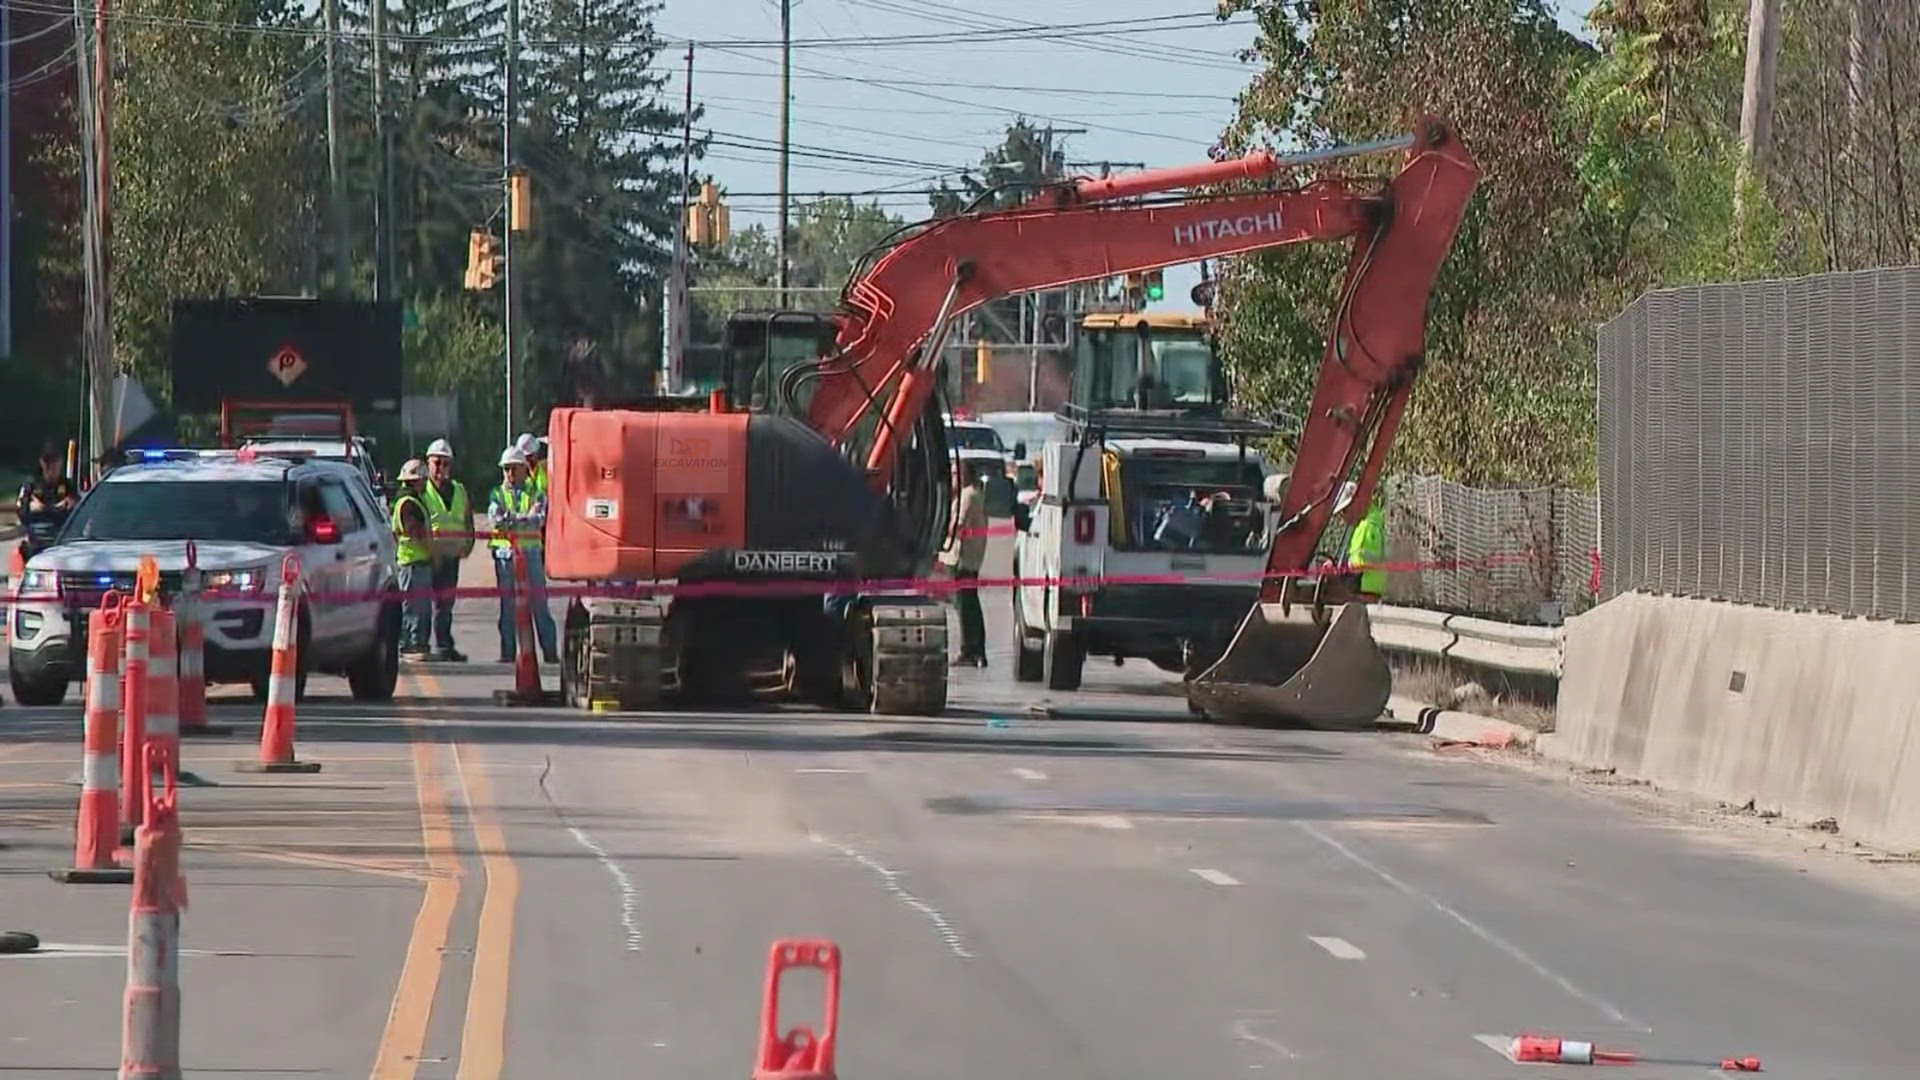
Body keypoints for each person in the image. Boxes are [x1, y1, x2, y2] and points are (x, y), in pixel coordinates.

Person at [487, 445, 559, 664]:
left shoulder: (536, 492)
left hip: (531, 554)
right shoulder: (497, 494)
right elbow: (496, 520)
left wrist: (512, 520)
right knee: (507, 607)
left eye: (513, 468)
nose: (509, 473)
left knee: (539, 604)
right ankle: (507, 654)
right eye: (506, 469)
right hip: (505, 557)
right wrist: (521, 520)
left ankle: (549, 653)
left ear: (523, 469)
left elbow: (539, 519)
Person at [421, 439, 475, 662]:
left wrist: (469, 544)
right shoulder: (421, 490)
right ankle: (419, 646)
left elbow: (467, 518)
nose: (441, 468)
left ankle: (444, 645)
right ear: (428, 463)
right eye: (437, 463)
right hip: (428, 555)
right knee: (422, 603)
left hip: (451, 555)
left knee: (445, 604)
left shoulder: (459, 490)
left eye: (446, 464)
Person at [940, 464, 989, 667]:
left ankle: (970, 649)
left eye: (953, 474)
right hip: (967, 558)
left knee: (965, 605)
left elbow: (957, 525)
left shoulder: (967, 496)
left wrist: (938, 536)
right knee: (968, 604)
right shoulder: (971, 494)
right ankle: (974, 649)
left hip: (962, 559)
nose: (951, 478)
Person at [390, 459, 434, 659]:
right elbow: (415, 532)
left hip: (413, 561)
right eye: (423, 479)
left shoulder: (408, 500)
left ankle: (415, 643)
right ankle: (411, 644)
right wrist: (432, 551)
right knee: (414, 606)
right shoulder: (409, 504)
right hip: (413, 562)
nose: (425, 483)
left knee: (416, 605)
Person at [1347, 494, 1387, 602]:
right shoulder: (1374, 524)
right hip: (1371, 585)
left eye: (1345, 511)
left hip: (1364, 586)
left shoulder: (1366, 527)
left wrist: (1345, 567)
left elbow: (1359, 563)